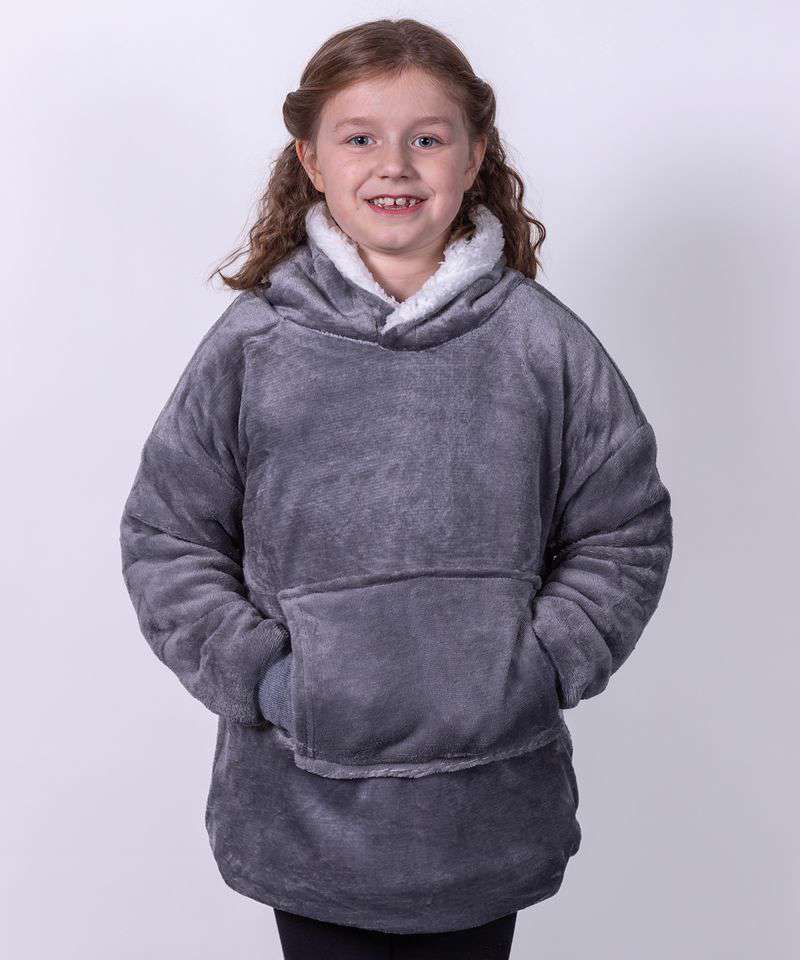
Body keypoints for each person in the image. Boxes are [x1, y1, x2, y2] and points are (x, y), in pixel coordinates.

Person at [119, 17, 673, 958]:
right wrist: (269, 680)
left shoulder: (544, 344)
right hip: (306, 808)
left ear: (475, 153)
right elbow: (168, 538)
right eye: (360, 137)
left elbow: (624, 530)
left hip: (485, 808)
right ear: (311, 158)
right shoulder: (255, 345)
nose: (395, 166)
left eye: (427, 137)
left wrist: (538, 668)